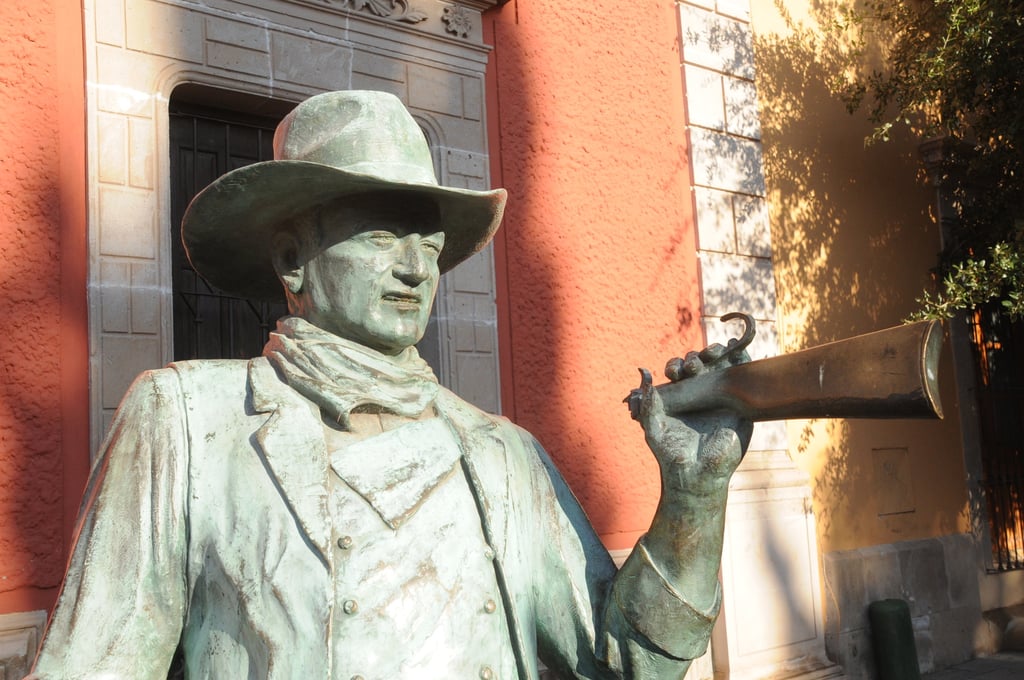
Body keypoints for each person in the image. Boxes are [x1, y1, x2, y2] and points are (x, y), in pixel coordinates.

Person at [27, 90, 752, 680]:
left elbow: (621, 658)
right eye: (381, 236)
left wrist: (694, 500)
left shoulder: (503, 456)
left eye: (429, 248)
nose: (415, 269)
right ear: (292, 259)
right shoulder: (185, 422)